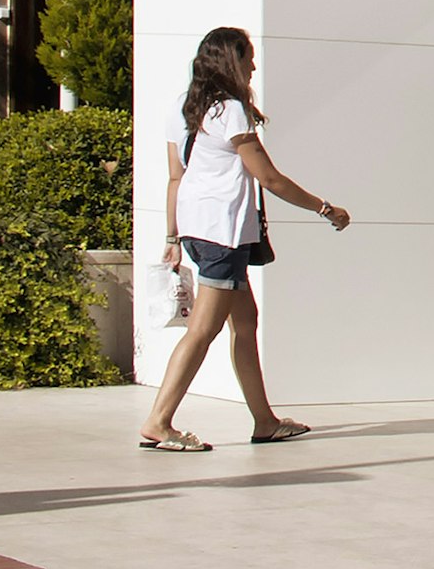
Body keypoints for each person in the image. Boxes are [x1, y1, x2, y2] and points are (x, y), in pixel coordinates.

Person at [139, 25, 350, 451]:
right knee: (202, 330)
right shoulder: (229, 110)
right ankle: (159, 422)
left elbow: (176, 178)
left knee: (245, 321)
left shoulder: (183, 108)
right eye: (248, 58)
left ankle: (264, 421)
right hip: (222, 234)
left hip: (198, 229)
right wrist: (324, 208)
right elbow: (269, 177)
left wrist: (172, 235)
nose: (253, 66)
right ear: (231, 62)